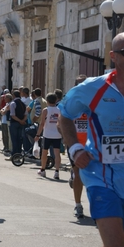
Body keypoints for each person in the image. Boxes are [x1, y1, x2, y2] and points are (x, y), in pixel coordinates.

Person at [58, 32, 124, 246]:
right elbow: (64, 115)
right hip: (102, 176)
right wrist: (75, 148)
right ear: (113, 56)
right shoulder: (93, 88)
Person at [58, 74, 87, 218]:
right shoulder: (70, 102)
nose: (84, 86)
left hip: (91, 144)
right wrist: (66, 138)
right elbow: (60, 122)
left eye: (85, 83)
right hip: (75, 144)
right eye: (80, 84)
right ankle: (78, 205)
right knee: (78, 174)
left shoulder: (94, 101)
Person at [34, 93, 62, 179]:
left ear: (47, 101)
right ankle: (57, 171)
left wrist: (38, 134)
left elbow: (42, 123)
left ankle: (43, 170)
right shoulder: (59, 110)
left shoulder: (45, 110)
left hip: (47, 134)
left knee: (44, 153)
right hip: (57, 134)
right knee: (57, 153)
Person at [9, 90, 27, 157]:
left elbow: (13, 115)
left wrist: (19, 120)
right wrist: (22, 121)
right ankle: (19, 153)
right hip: (21, 123)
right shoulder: (23, 103)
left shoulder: (13, 103)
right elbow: (26, 114)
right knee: (19, 139)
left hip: (14, 123)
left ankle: (14, 154)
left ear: (13, 95)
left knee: (14, 139)